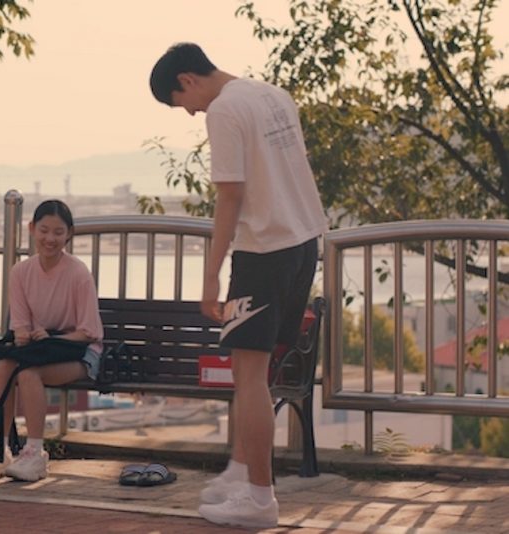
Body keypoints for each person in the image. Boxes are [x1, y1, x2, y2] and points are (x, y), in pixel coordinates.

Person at [149, 43, 327, 528]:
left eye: (181, 103)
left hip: (263, 251)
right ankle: (240, 472)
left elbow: (230, 196)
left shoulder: (224, 110)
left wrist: (211, 278)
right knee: (256, 372)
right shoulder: (272, 94)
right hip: (302, 242)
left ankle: (259, 499)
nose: (190, 112)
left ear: (187, 80)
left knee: (247, 376)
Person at [0, 199, 104, 482]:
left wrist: (54, 336)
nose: (50, 239)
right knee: (5, 364)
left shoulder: (78, 273)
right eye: (44, 230)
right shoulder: (20, 272)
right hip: (41, 350)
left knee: (28, 373)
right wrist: (27, 334)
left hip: (79, 353)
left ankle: (35, 452)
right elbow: (20, 327)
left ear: (69, 234)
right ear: (32, 229)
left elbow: (90, 332)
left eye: (58, 232)